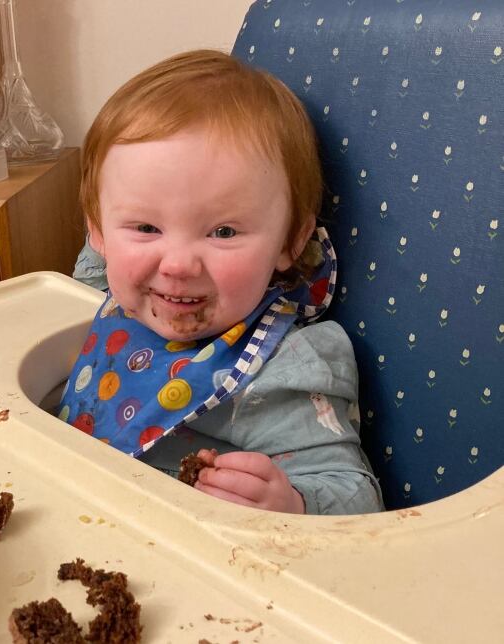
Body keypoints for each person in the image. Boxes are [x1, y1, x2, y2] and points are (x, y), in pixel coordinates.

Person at [58, 50, 383, 515]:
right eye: (147, 228)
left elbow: (359, 497)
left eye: (224, 232)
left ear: (291, 242)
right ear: (100, 233)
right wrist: (113, 239)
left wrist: (292, 502)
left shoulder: (282, 369)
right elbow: (96, 268)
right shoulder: (116, 293)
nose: (177, 264)